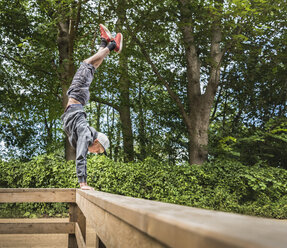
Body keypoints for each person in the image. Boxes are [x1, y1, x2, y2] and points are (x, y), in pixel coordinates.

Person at [61, 24, 123, 190]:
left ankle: (104, 43)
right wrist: (83, 183)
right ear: (96, 141)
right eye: (99, 150)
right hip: (77, 96)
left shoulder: (85, 133)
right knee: (87, 64)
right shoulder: (85, 134)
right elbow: (80, 156)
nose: (96, 153)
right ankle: (112, 46)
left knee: (92, 67)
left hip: (78, 99)